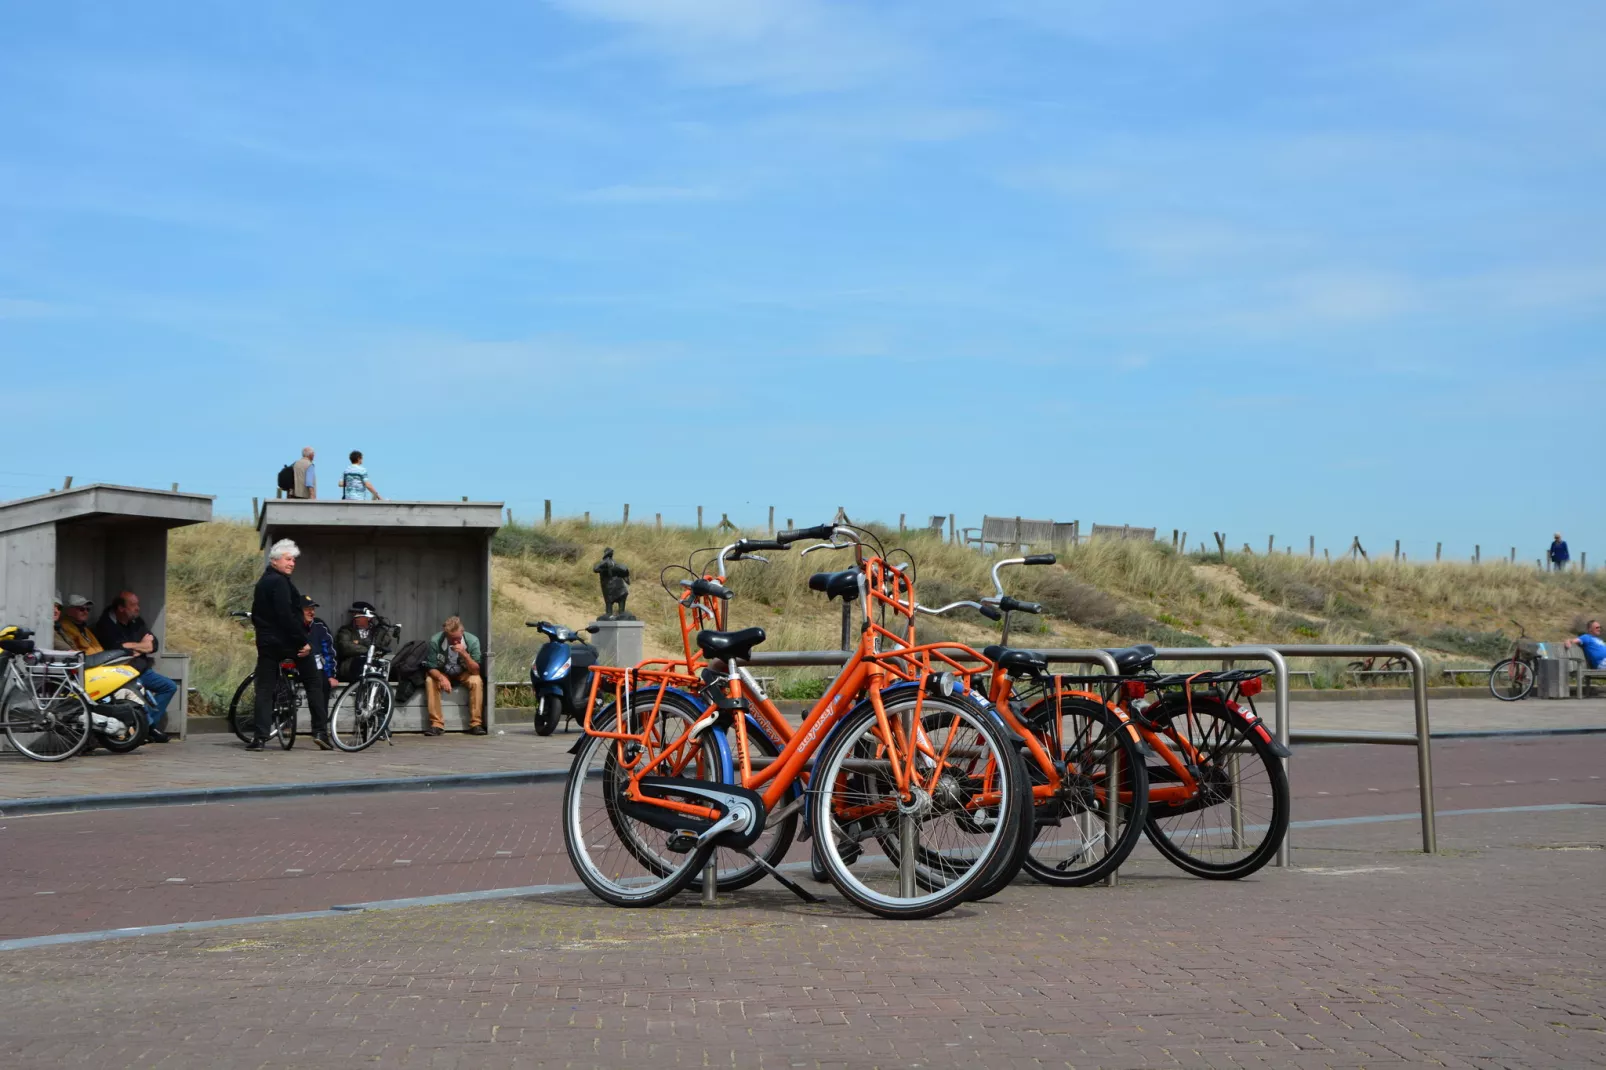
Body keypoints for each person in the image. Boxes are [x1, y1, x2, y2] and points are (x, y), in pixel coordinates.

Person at [249, 539, 331, 751]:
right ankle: (320, 730)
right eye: (288, 559)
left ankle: (259, 738)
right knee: (314, 681)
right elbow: (286, 616)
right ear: (275, 560)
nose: (292, 563)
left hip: (267, 644)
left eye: (294, 559)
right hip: (288, 643)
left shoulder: (262, 583)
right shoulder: (281, 583)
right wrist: (302, 642)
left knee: (265, 689)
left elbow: (256, 615)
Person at [93, 590, 179, 743]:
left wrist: (136, 647)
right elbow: (119, 650)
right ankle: (146, 729)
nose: (137, 608)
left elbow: (154, 644)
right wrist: (142, 645)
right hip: (123, 672)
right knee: (137, 690)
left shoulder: (136, 621)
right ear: (121, 608)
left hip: (142, 669)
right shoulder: (105, 625)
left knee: (169, 686)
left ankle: (145, 728)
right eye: (133, 605)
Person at [424, 615, 485, 736]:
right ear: (446, 635)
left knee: (476, 681)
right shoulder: (435, 641)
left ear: (462, 632)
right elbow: (431, 667)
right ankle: (436, 724)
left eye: (457, 638)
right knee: (430, 681)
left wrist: (465, 654)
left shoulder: (472, 641)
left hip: (464, 673)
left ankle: (476, 724)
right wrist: (441, 678)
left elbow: (476, 671)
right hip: (444, 672)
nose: (455, 642)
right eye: (452, 639)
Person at [334, 601, 393, 682]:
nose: (355, 617)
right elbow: (345, 647)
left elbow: (381, 646)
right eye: (354, 614)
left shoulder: (379, 632)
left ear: (369, 617)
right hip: (350, 666)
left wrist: (359, 642)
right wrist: (370, 650)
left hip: (373, 664)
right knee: (360, 663)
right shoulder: (346, 630)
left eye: (359, 615)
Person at [303, 595, 339, 699]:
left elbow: (329, 652)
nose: (312, 612)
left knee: (324, 683)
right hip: (296, 670)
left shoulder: (319, 626)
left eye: (313, 609)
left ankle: (322, 715)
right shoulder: (292, 626)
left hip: (316, 670)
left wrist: (330, 675)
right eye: (307, 609)